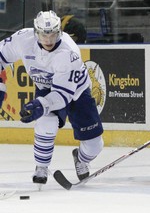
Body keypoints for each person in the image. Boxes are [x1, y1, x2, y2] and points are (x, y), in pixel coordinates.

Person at [0, 10, 104, 185]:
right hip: (46, 88)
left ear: (59, 32)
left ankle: (81, 158)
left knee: (95, 145)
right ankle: (41, 167)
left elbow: (62, 96)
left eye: (53, 35)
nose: (48, 40)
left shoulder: (68, 52)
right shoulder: (23, 39)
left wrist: (41, 105)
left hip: (76, 91)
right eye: (43, 35)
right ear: (36, 32)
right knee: (46, 123)